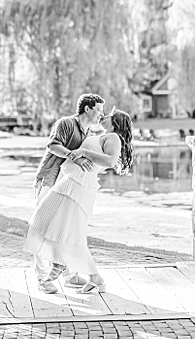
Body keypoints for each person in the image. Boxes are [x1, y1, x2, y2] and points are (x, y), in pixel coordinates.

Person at [25, 109, 135, 294]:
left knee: (68, 232)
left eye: (107, 116)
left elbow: (110, 161)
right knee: (43, 221)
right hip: (70, 183)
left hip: (78, 187)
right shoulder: (103, 135)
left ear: (115, 121)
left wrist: (83, 151)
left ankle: (57, 269)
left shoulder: (114, 137)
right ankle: (93, 278)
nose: (103, 116)